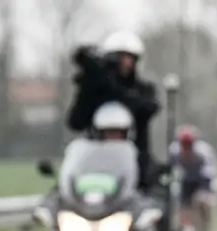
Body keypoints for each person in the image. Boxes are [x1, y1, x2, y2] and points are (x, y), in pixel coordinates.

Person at [66, 31, 159, 188]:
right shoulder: (96, 87)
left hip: (136, 167)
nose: (124, 62)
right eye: (118, 57)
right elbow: (76, 122)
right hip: (94, 165)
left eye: (128, 57)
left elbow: (147, 108)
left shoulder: (143, 89)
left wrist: (111, 84)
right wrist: (88, 83)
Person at [169, 126, 217, 231]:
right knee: (179, 203)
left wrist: (205, 192)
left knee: (201, 200)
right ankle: (183, 226)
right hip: (185, 181)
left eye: (189, 145)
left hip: (201, 181)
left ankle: (205, 225)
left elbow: (209, 172)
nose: (186, 149)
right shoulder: (175, 151)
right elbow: (170, 169)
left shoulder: (203, 152)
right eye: (183, 145)